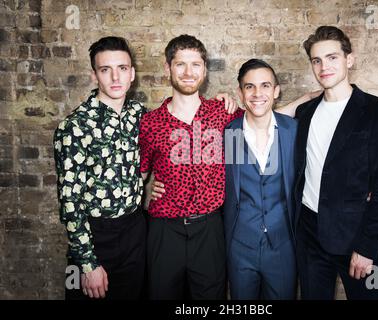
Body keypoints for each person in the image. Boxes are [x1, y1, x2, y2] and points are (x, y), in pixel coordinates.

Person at [293, 26, 378, 300]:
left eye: (332, 58)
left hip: (356, 237)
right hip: (309, 234)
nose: (323, 66)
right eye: (316, 60)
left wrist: (367, 247)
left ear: (349, 59)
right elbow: (262, 118)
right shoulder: (305, 113)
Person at [138, 34, 243, 300]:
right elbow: (137, 174)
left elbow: (267, 117)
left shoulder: (223, 113)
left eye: (195, 64)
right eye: (180, 64)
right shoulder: (150, 123)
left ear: (204, 70)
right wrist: (146, 190)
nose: (188, 72)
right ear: (167, 68)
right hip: (164, 228)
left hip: (209, 228)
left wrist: (313, 97)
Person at [54, 36, 147, 299]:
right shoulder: (73, 126)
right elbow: (69, 200)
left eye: (122, 68)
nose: (115, 77)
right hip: (93, 236)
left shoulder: (141, 115)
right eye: (106, 70)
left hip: (134, 230)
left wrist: (223, 103)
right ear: (94, 75)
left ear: (132, 74)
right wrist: (87, 264)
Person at [223, 59, 297, 299]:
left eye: (265, 86)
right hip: (240, 246)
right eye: (249, 87)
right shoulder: (229, 133)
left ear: (276, 91)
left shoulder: (293, 131)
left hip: (283, 246)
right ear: (240, 93)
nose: (257, 93)